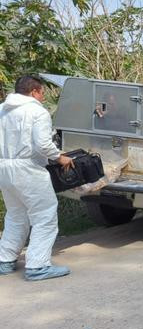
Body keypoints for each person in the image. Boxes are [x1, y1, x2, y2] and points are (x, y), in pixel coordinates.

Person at [0, 75, 74, 281]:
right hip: (28, 169)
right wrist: (61, 157)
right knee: (45, 216)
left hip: (3, 167)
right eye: (42, 93)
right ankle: (38, 265)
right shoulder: (37, 112)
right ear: (34, 92)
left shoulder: (2, 109)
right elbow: (42, 144)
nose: (43, 97)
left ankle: (4, 260)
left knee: (16, 215)